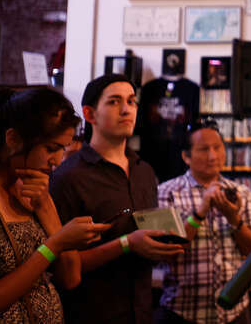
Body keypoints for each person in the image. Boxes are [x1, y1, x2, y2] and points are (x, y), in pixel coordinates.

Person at [50, 74, 185, 324]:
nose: (126, 109)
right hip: (91, 313)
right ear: (90, 114)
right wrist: (126, 243)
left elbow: (145, 238)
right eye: (114, 102)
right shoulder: (68, 178)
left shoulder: (144, 171)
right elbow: (58, 267)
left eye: (132, 101)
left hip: (142, 312)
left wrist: (163, 244)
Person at [0, 88, 110, 323]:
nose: (57, 161)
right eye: (50, 149)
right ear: (13, 139)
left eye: (61, 150)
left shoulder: (29, 190)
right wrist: (53, 246)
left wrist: (46, 207)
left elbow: (71, 277)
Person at [156, 120, 251, 324]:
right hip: (182, 311)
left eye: (217, 147)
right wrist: (200, 212)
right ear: (186, 156)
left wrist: (234, 219)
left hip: (235, 311)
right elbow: (166, 252)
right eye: (204, 149)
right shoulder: (167, 192)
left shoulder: (242, 192)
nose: (213, 156)